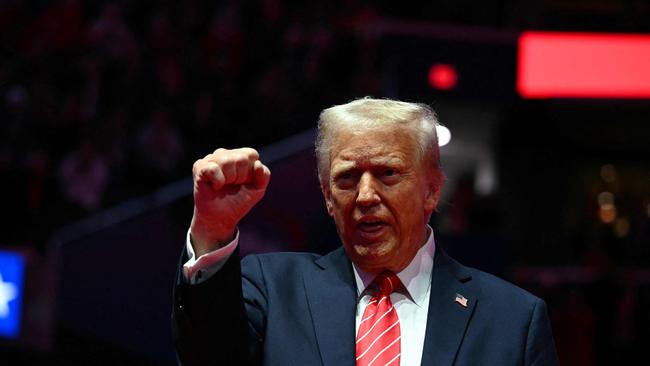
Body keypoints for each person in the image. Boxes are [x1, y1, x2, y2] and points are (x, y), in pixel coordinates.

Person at [172, 98, 559, 366]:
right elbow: (207, 357)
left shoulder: (513, 321)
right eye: (347, 177)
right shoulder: (273, 292)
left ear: (432, 190)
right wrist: (212, 228)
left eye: (388, 173)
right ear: (326, 196)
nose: (366, 195)